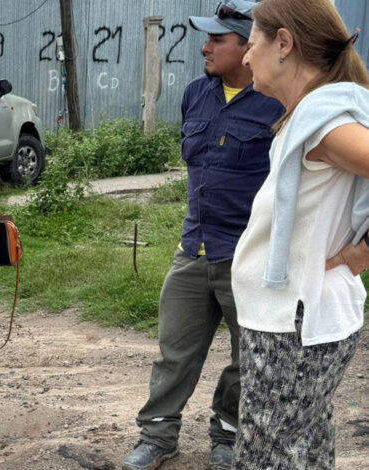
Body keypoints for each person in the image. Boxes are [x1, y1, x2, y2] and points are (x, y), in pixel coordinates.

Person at [122, 2, 284, 470]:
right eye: (207, 38)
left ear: (247, 45)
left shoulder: (278, 102)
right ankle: (157, 436)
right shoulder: (196, 93)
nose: (205, 47)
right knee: (174, 352)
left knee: (246, 356)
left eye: (217, 40)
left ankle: (228, 434)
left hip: (248, 257)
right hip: (193, 249)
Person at [231, 0, 369, 467]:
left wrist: (365, 249)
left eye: (252, 45)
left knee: (268, 458)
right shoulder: (313, 117)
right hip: (294, 320)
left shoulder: (324, 123)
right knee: (303, 450)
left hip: (294, 325)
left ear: (284, 43)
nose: (246, 58)